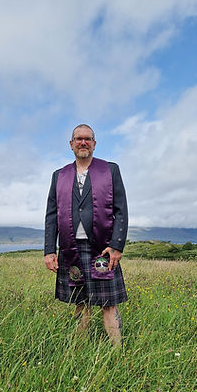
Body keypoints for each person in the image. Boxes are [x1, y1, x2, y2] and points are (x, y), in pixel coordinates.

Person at [44, 124, 128, 345]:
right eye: (79, 139)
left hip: (103, 248)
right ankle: (79, 351)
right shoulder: (59, 176)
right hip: (70, 249)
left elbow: (121, 210)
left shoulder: (110, 170)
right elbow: (51, 215)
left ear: (94, 144)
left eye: (88, 139)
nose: (83, 142)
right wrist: (49, 251)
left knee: (109, 303)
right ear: (71, 144)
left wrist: (117, 246)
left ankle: (117, 352)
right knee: (81, 303)